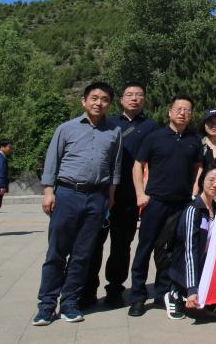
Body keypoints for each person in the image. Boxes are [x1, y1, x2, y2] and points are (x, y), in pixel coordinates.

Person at [33, 82, 123, 326]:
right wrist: (48, 191)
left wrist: (111, 195)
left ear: (109, 104)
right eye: (94, 98)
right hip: (67, 194)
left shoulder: (114, 131)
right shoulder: (66, 128)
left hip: (97, 196)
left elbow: (115, 166)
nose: (98, 103)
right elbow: (52, 161)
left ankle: (70, 303)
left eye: (104, 99)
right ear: (84, 101)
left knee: (83, 255)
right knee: (56, 253)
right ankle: (46, 305)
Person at [127, 96, 203, 317]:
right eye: (178, 109)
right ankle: (138, 297)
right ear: (169, 112)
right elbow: (137, 165)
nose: (182, 113)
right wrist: (140, 194)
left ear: (191, 115)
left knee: (169, 251)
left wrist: (194, 190)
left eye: (187, 110)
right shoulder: (155, 137)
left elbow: (199, 166)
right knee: (145, 248)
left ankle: (163, 293)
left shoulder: (194, 140)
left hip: (180, 204)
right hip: (155, 202)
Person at [84, 82, 158, 309]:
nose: (134, 98)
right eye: (129, 94)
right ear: (121, 100)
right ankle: (87, 290)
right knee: (93, 243)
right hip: (102, 194)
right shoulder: (108, 123)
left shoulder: (152, 127)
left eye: (139, 94)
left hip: (129, 196)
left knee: (121, 245)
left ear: (144, 99)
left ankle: (115, 289)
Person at [166, 166, 216, 321]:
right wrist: (192, 290)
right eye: (211, 180)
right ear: (202, 181)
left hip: (205, 262)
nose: (215, 184)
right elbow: (190, 250)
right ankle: (175, 293)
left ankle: (209, 299)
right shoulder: (193, 210)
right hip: (185, 262)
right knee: (192, 271)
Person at [192, 109, 216, 195]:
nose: (214, 125)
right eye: (210, 122)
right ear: (204, 124)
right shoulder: (197, 145)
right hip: (201, 195)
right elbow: (196, 174)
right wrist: (194, 196)